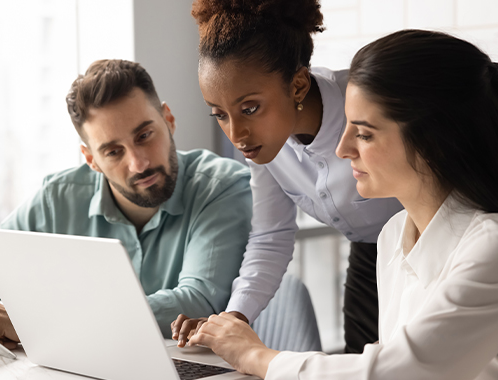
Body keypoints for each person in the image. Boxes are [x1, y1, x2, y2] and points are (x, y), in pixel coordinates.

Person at [184, 29, 498, 379]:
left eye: (365, 135)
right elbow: (270, 235)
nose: (341, 149)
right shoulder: (391, 236)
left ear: (432, 140)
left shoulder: (497, 245)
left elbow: (399, 371)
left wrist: (257, 356)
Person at [0, 59, 253, 348]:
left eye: (145, 135)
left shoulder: (222, 187)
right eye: (113, 151)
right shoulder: (58, 197)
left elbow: (198, 301)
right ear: (91, 159)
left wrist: (41, 322)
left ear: (168, 120)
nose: (138, 162)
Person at [172, 0, 402, 353]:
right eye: (219, 114)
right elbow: (271, 235)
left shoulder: (364, 107)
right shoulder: (263, 145)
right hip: (368, 259)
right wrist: (233, 318)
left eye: (250, 108)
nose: (237, 134)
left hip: (425, 249)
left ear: (297, 86)